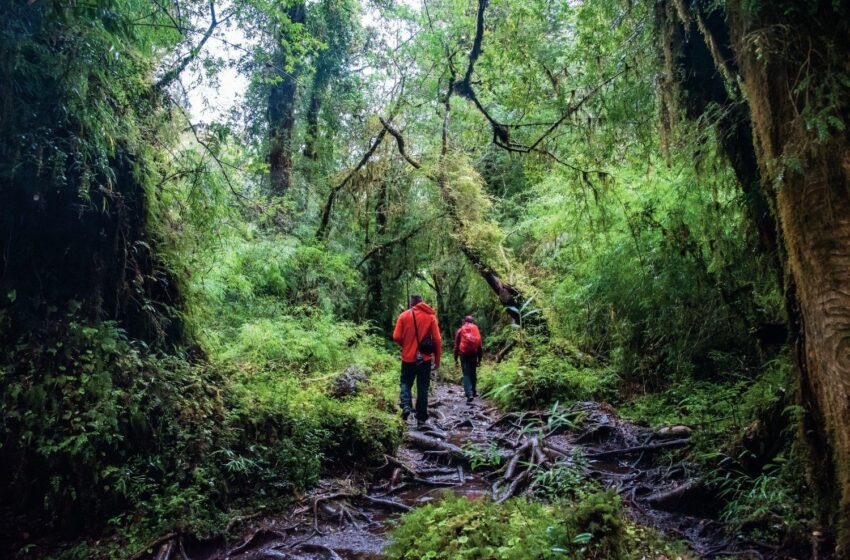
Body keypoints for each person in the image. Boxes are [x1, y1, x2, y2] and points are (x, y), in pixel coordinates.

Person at [393, 295, 442, 427]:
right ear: (421, 302)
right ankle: (421, 417)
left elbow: (396, 336)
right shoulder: (431, 317)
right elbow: (437, 339)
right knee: (423, 388)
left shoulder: (403, 316)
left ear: (412, 303)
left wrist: (406, 346)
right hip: (424, 359)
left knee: (405, 383)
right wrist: (437, 360)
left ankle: (406, 406)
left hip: (408, 358)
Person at [454, 315, 483, 405]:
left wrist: (455, 358)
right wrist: (480, 359)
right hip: (474, 354)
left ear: (464, 321)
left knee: (466, 374)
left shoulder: (460, 331)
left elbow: (456, 346)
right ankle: (473, 391)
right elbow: (480, 347)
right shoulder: (475, 330)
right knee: (473, 373)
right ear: (472, 322)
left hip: (463, 355)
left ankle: (469, 394)